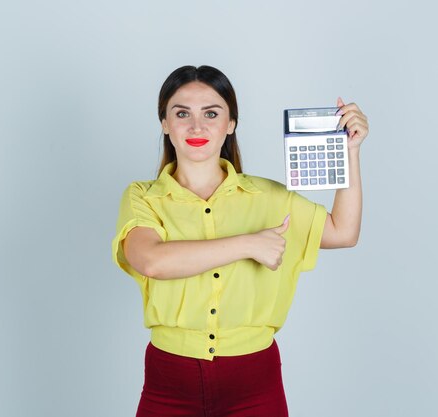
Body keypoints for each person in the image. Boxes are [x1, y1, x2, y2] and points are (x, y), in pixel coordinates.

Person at [112, 65, 369, 417]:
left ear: (231, 123)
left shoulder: (270, 196)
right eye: (182, 113)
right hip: (168, 377)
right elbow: (152, 261)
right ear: (165, 123)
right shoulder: (143, 196)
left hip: (255, 379)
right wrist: (248, 244)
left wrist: (351, 152)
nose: (197, 126)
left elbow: (343, 231)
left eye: (212, 113)